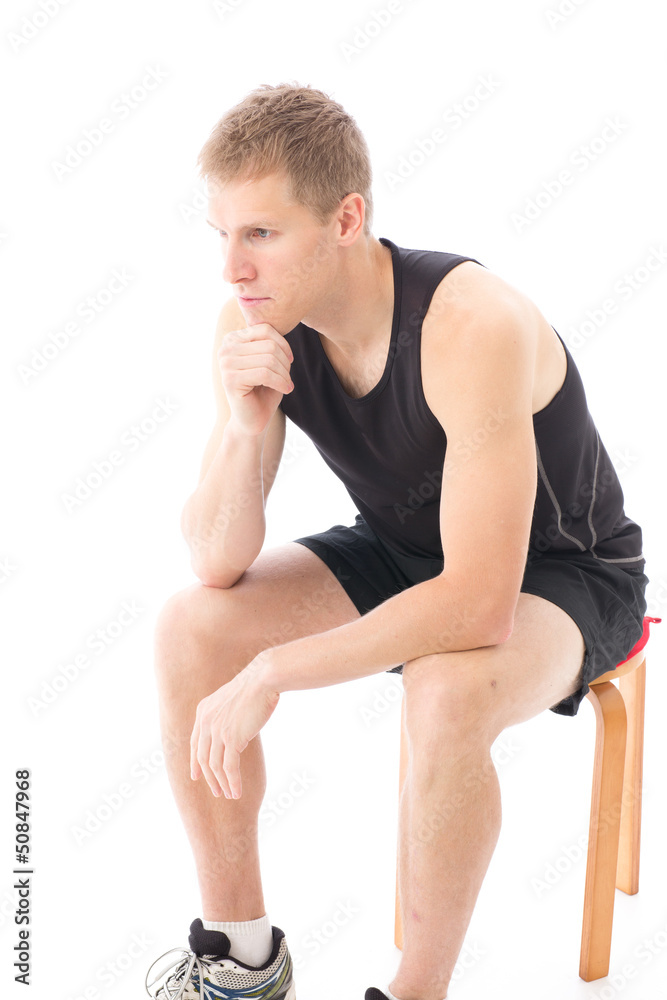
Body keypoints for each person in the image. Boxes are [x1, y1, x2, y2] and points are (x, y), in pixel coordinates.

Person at [144, 82, 649, 1000]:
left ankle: (415, 992)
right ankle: (240, 962)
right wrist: (246, 425)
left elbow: (477, 603)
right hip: (402, 545)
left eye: (259, 233)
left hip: (564, 576)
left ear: (345, 218)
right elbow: (215, 558)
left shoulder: (469, 324)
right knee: (191, 627)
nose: (232, 269)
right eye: (220, 234)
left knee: (446, 684)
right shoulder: (256, 325)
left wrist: (272, 673)